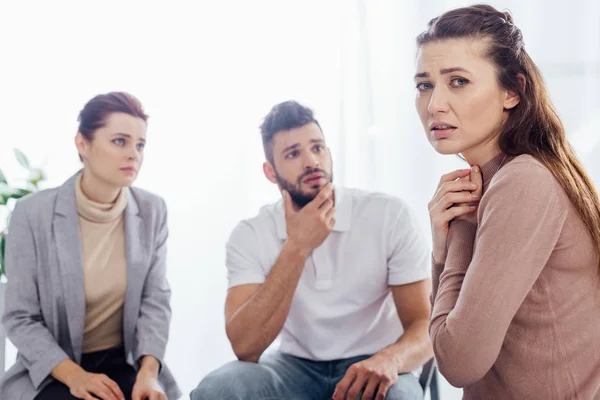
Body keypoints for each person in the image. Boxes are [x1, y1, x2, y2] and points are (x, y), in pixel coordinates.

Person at [414, 4, 600, 399]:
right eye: (424, 85)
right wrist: (442, 249)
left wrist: (458, 233)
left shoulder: (522, 182)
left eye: (459, 81)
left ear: (512, 91)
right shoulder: (515, 175)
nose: (434, 105)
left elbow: (457, 361)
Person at [191, 101, 433, 400]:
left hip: (373, 361)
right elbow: (246, 346)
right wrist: (297, 246)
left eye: (317, 148)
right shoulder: (251, 233)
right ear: (270, 172)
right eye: (293, 154)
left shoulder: (388, 214)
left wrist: (391, 359)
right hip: (292, 367)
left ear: (329, 154)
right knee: (218, 389)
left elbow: (426, 325)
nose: (311, 161)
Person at [0, 92, 181, 400]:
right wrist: (76, 377)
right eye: (120, 141)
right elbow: (19, 316)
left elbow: (155, 301)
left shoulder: (152, 210)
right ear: (82, 144)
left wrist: (149, 373)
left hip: (124, 363)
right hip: (56, 368)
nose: (133, 154)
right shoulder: (33, 214)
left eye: (140, 145)